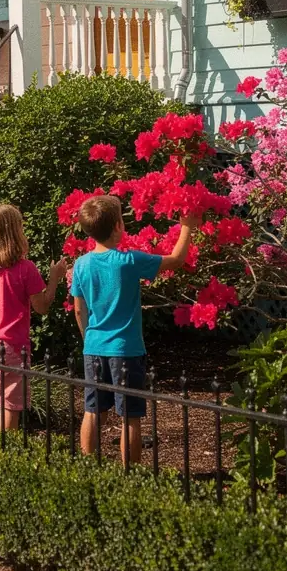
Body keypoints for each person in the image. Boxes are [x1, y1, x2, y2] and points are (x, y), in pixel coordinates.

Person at [70, 194, 199, 465]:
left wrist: (89, 339)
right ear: (118, 226)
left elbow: (80, 310)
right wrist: (187, 226)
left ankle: (86, 467)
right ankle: (131, 475)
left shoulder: (80, 264)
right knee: (130, 417)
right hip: (125, 350)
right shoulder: (128, 261)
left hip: (93, 347)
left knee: (92, 410)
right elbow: (176, 260)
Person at [0, 204, 67, 433]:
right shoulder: (25, 268)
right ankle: (4, 453)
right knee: (9, 407)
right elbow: (42, 307)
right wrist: (54, 278)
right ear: (15, 233)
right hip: (10, 344)